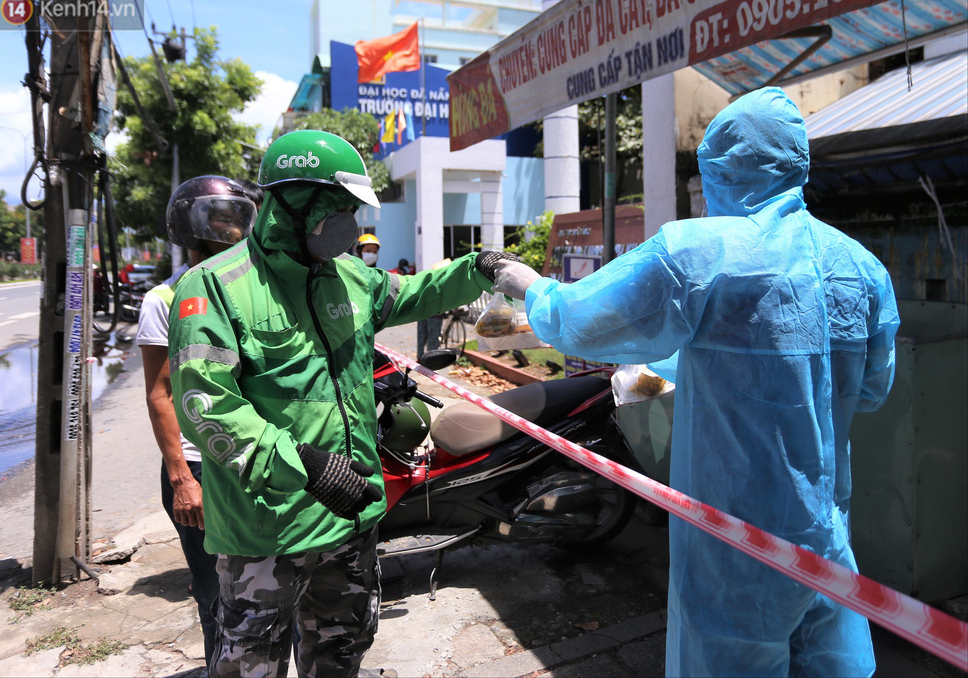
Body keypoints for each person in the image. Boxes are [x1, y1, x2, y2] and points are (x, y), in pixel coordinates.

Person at [492, 87, 900, 677]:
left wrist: (527, 284)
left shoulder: (698, 251)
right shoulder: (861, 266)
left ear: (720, 172)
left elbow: (581, 321)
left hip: (736, 540)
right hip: (825, 530)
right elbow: (868, 389)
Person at [167, 129, 507, 677]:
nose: (349, 223)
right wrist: (303, 464)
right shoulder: (216, 287)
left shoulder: (348, 276)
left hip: (350, 516)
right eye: (338, 208)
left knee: (342, 646)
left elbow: (414, 293)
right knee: (252, 664)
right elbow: (208, 408)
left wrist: (477, 269)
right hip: (267, 532)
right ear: (294, 204)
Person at [135, 176, 259, 668]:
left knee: (271, 585)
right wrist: (182, 478)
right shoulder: (163, 301)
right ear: (190, 226)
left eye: (236, 218)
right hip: (200, 471)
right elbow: (160, 395)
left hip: (251, 461)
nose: (231, 229)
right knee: (217, 594)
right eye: (219, 219)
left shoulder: (246, 291)